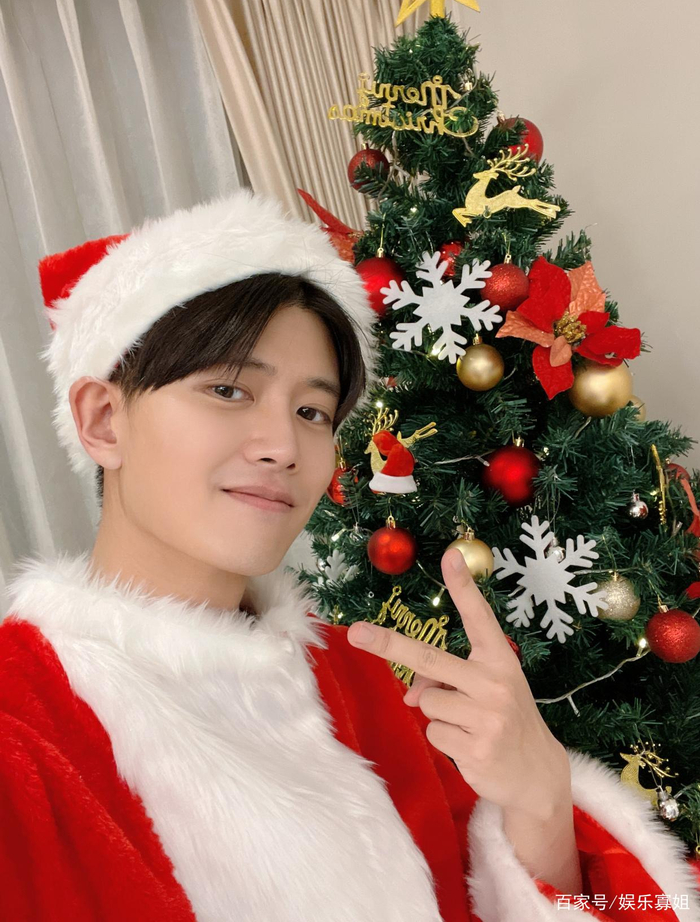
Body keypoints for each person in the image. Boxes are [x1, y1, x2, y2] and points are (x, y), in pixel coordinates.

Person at [1, 189, 698, 922]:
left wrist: (542, 803)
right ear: (103, 420)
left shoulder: (366, 687)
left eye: (312, 411)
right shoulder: (24, 729)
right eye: (229, 389)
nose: (283, 446)